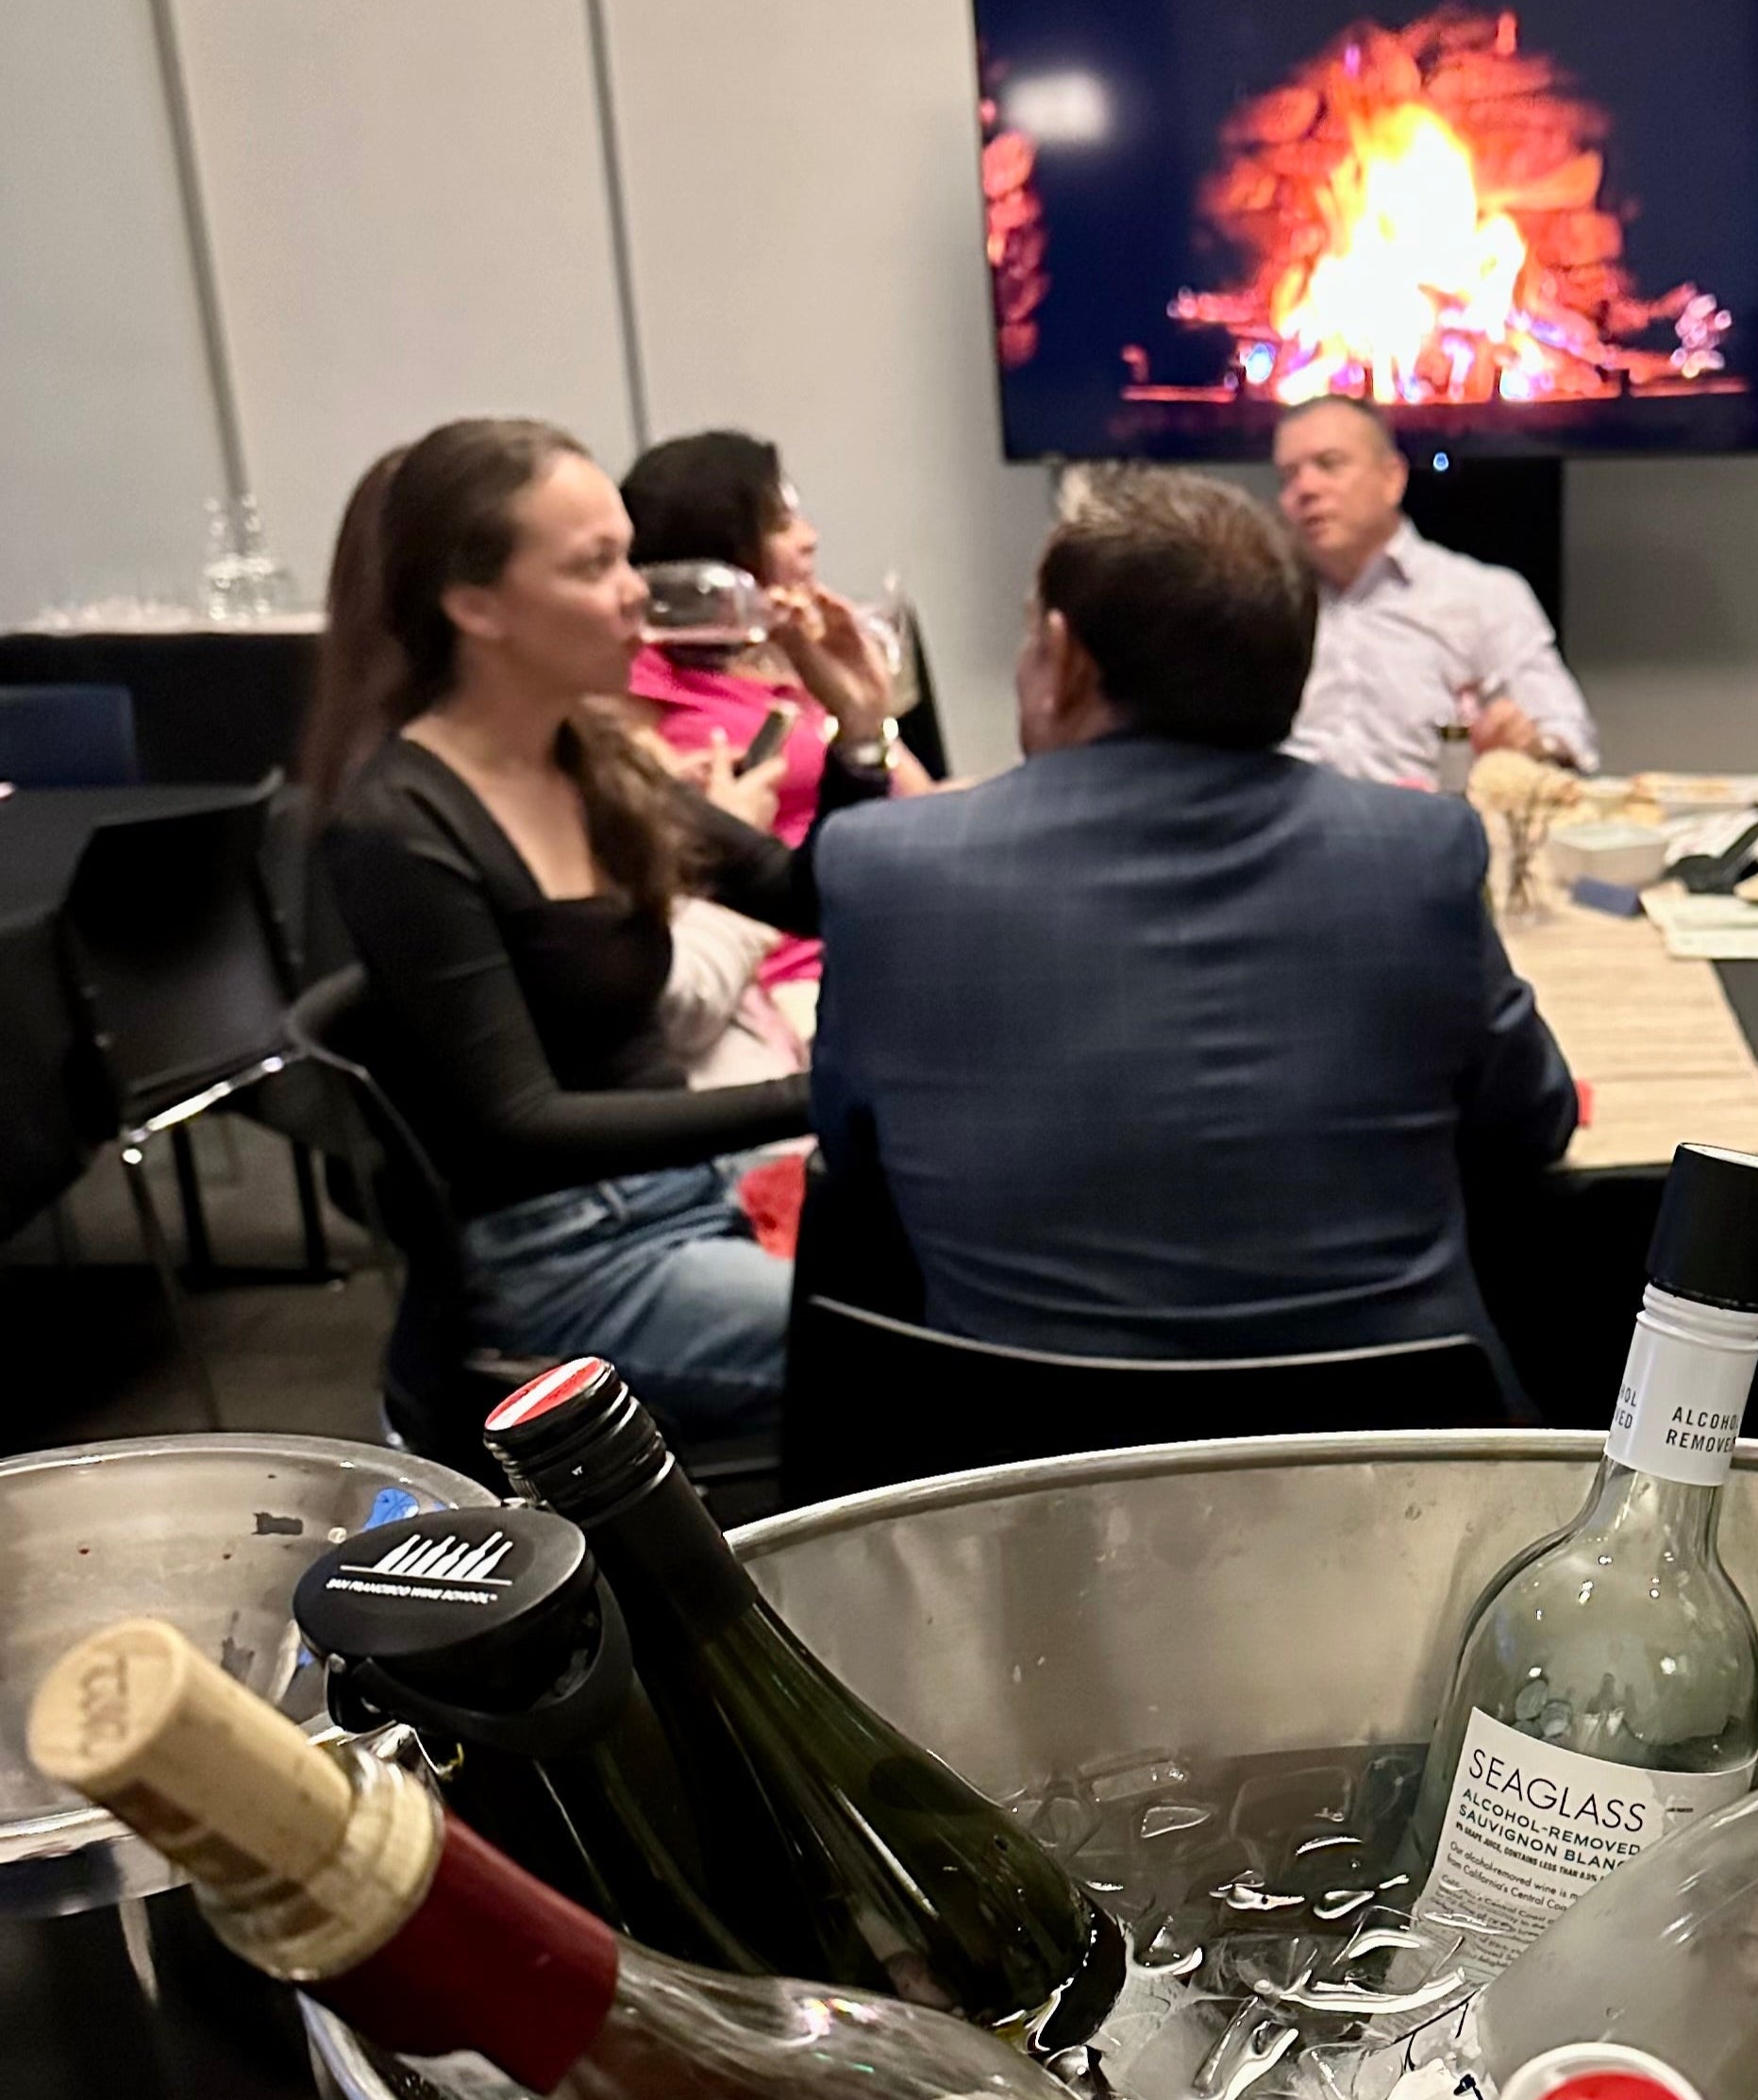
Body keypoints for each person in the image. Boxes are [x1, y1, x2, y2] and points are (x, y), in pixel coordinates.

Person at [809, 465, 1577, 1375]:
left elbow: (854, 1166)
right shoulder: (1417, 849)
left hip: (1027, 1472)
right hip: (1399, 1466)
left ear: (1070, 658)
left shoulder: (884, 867)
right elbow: (1532, 1124)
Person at [317, 417, 897, 1436]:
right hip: (565, 1264)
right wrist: (811, 1095)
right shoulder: (401, 823)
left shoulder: (588, 760)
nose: (637, 591)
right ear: (474, 605)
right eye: (596, 566)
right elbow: (520, 1124)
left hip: (677, 1200)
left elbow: (814, 895)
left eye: (629, 555)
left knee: (980, 1268)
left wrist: (855, 728)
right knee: (925, 1341)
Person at [620, 428, 930, 988]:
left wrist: (856, 706)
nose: (810, 539)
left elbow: (918, 804)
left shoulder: (782, 663)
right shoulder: (643, 689)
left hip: (860, 944)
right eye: (781, 525)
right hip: (778, 976)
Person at [1274, 395, 1599, 784]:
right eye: (1289, 475)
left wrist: (1528, 747)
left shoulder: (1481, 597)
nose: (1305, 488)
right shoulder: (1266, 604)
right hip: (1288, 836)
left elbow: (1570, 740)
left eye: (1330, 464)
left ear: (1391, 478)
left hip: (1432, 834)